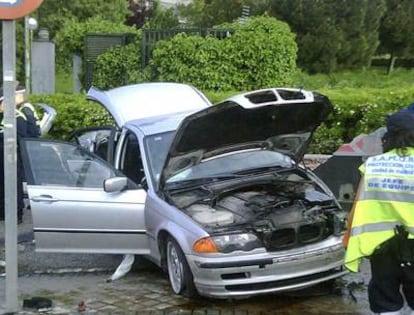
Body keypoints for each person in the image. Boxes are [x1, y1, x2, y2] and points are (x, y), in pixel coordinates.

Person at [344, 106, 414, 315]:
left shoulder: (373, 165)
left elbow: (357, 206)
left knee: (385, 300)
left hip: (381, 247)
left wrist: (348, 236)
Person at [0, 87, 29, 223]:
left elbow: (21, 139)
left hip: (12, 157)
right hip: (3, 157)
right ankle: (3, 213)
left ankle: (16, 215)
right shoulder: (4, 116)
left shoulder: (17, 117)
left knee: (13, 186)